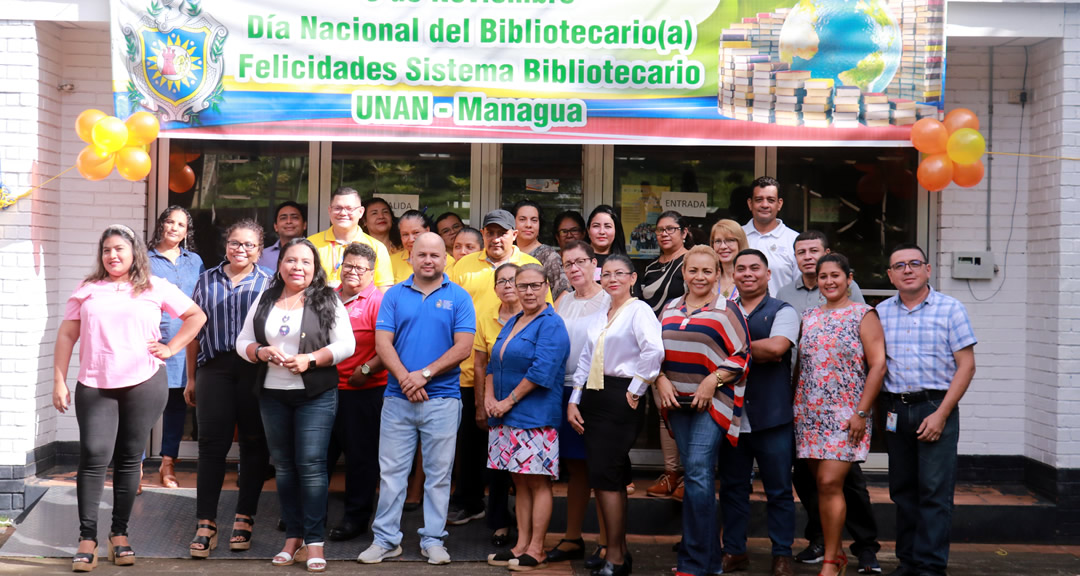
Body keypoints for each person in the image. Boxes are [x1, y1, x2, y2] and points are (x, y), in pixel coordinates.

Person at [54, 224, 206, 572]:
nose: (113, 255)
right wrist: (59, 380)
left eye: (120, 249)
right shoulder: (89, 289)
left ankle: (119, 534)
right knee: (93, 455)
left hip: (144, 382)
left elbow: (196, 316)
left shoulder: (155, 286)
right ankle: (88, 538)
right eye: (107, 250)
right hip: (95, 383)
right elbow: (67, 334)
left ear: (134, 252)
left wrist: (171, 347)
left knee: (127, 458)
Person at [236, 238, 355, 573]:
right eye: (291, 260)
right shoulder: (266, 297)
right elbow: (242, 341)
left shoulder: (327, 298)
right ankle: (293, 536)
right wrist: (259, 352)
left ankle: (314, 541)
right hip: (272, 393)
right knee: (285, 467)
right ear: (280, 264)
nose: (297, 267)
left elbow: (347, 344)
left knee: (312, 465)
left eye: (305, 262)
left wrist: (311, 360)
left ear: (315, 268)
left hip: (315, 394)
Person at [359, 233, 476, 566]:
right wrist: (406, 379)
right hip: (397, 399)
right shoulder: (394, 295)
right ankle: (385, 540)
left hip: (443, 399)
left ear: (444, 259)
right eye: (421, 254)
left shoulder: (460, 297)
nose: (428, 260)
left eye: (435, 255)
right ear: (411, 256)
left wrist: (422, 375)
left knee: (439, 475)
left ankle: (433, 540)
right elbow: (383, 344)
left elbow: (463, 348)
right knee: (392, 474)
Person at [778, 231, 880, 574]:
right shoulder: (810, 317)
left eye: (835, 275)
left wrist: (862, 413)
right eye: (823, 277)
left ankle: (833, 560)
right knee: (819, 487)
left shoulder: (863, 314)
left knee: (829, 483)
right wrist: (793, 408)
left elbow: (878, 364)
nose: (828, 281)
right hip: (809, 413)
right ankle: (834, 553)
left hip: (848, 414)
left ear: (849, 279)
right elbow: (801, 367)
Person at [877, 244, 976, 576]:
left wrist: (942, 414)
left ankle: (931, 568)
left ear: (928, 269)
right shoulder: (881, 312)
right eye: (899, 265)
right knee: (903, 492)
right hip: (894, 410)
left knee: (934, 492)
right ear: (890, 276)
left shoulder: (951, 309)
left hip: (936, 406)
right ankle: (908, 562)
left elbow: (967, 367)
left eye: (914, 263)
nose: (908, 270)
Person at [448, 210, 546, 539]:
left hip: (515, 376)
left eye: (502, 232)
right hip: (469, 368)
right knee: (470, 444)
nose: (496, 238)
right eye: (490, 232)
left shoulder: (529, 265)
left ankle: (509, 512)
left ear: (514, 234)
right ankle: (469, 501)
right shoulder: (463, 265)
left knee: (508, 448)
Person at [654, 245, 751, 576]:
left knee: (696, 473)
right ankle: (709, 562)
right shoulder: (668, 308)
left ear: (718, 274)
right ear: (683, 273)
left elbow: (742, 355)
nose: (699, 276)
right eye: (693, 270)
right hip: (675, 404)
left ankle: (692, 563)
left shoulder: (727, 310)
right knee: (697, 478)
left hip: (711, 404)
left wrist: (713, 380)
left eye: (707, 271)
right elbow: (652, 354)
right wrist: (660, 379)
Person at [567, 254, 664, 576]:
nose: (612, 279)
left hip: (620, 396)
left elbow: (654, 351)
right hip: (593, 394)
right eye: (606, 274)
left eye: (619, 273)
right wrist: (574, 399)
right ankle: (616, 550)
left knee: (607, 476)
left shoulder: (639, 311)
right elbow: (585, 357)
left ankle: (617, 559)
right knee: (611, 475)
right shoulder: (601, 312)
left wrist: (636, 390)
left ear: (632, 278)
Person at [186, 220, 274, 558]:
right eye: (235, 243)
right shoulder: (206, 279)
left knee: (254, 443)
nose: (241, 250)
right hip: (214, 368)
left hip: (254, 369)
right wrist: (192, 378)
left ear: (259, 249)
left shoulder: (269, 282)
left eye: (249, 245)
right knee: (211, 446)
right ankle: (205, 523)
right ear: (226, 244)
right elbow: (194, 331)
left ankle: (244, 517)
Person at [484, 264, 571, 571]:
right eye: (523, 286)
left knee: (537, 482)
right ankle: (521, 544)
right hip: (505, 414)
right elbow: (493, 364)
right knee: (519, 482)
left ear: (547, 286)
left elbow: (542, 371)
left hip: (534, 416)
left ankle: (537, 548)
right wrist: (488, 399)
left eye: (536, 286)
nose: (529, 292)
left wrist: (507, 401)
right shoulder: (516, 320)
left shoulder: (551, 323)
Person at [719, 249, 798, 576]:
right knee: (733, 488)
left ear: (767, 275)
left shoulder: (784, 310)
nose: (748, 273)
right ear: (734, 275)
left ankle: (782, 554)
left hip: (772, 417)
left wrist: (729, 351)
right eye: (741, 269)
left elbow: (778, 347)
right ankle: (735, 551)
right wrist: (756, 352)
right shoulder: (723, 311)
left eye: (755, 268)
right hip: (731, 416)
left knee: (779, 489)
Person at [548, 240, 611, 567]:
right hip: (563, 389)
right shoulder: (563, 299)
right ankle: (572, 538)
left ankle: (606, 542)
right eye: (567, 264)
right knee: (575, 467)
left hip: (596, 391)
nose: (574, 268)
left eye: (579, 262)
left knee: (600, 466)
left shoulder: (610, 300)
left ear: (593, 264)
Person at [326, 243, 388, 542]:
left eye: (359, 268)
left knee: (360, 459)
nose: (352, 272)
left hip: (363, 391)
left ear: (371, 273)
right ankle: (310, 515)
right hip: (325, 389)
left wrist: (366, 370)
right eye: (347, 265)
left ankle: (356, 519)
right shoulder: (328, 297)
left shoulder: (379, 301)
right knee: (320, 455)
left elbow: (389, 346)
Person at [147, 206, 204, 490]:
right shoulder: (144, 259)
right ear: (161, 225)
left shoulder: (194, 261)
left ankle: (167, 464)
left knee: (176, 407)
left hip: (184, 344)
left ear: (186, 231)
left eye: (181, 224)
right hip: (151, 342)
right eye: (170, 222)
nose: (174, 228)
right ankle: (132, 467)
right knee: (142, 407)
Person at [637, 211, 692, 501]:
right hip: (656, 349)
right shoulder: (650, 269)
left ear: (685, 232)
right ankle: (671, 474)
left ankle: (688, 475)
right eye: (660, 230)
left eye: (671, 229)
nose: (665, 234)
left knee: (687, 411)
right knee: (664, 412)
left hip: (686, 344)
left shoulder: (693, 262)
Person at [308, 187, 394, 290]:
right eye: (337, 208)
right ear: (329, 211)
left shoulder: (377, 248)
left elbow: (383, 292)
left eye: (349, 209)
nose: (343, 213)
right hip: (319, 304)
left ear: (361, 212)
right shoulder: (310, 244)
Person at [778, 231, 867, 315]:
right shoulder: (784, 293)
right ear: (795, 256)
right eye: (801, 252)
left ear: (826, 253)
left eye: (814, 251)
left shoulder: (845, 286)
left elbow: (863, 319)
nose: (807, 257)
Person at [741, 177, 799, 296]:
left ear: (779, 204)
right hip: (740, 313)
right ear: (750, 203)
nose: (765, 205)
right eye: (759, 199)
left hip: (782, 313)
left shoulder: (794, 240)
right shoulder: (736, 236)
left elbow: (801, 286)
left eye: (771, 200)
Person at [513, 200, 570, 301]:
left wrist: (548, 316)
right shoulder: (507, 253)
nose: (528, 225)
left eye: (534, 220)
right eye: (522, 219)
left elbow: (564, 292)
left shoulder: (548, 255)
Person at [391, 210, 456, 283]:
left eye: (416, 233)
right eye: (405, 234)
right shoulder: (391, 261)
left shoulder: (446, 260)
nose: (411, 239)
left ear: (427, 230)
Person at [259, 201, 307, 271]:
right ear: (276, 227)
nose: (289, 221)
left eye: (294, 217)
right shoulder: (262, 256)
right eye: (283, 218)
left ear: (304, 225)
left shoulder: (316, 252)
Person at [585, 205, 627, 280]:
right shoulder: (578, 261)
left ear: (616, 231)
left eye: (607, 226)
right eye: (596, 226)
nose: (602, 231)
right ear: (588, 230)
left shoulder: (625, 264)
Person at [710, 219, 749, 299]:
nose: (723, 246)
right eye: (718, 241)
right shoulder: (709, 279)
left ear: (740, 243)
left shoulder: (750, 279)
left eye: (730, 240)